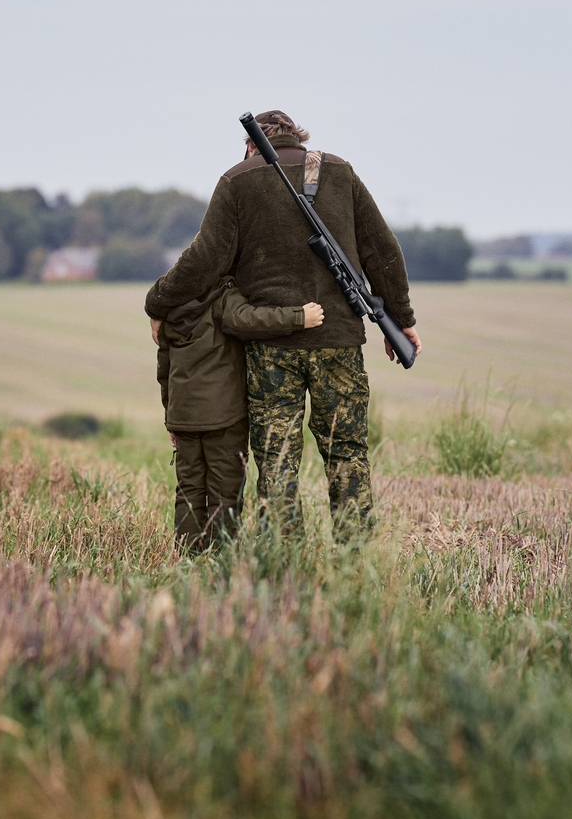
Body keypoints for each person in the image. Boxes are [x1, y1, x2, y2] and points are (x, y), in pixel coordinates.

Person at [145, 110, 421, 540]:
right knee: (346, 454)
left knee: (276, 460)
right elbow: (382, 249)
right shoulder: (340, 171)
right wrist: (401, 320)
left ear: (253, 146)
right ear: (299, 139)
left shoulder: (237, 179)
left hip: (272, 349)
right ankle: (356, 559)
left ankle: (284, 559)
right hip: (339, 343)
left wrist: (159, 301)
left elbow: (205, 258)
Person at [156, 278, 324, 552]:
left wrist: (170, 419)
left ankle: (187, 558)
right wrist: (299, 317)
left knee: (189, 490)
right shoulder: (222, 296)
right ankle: (219, 559)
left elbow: (164, 370)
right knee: (225, 494)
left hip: (183, 415)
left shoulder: (171, 304)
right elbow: (251, 320)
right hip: (224, 416)